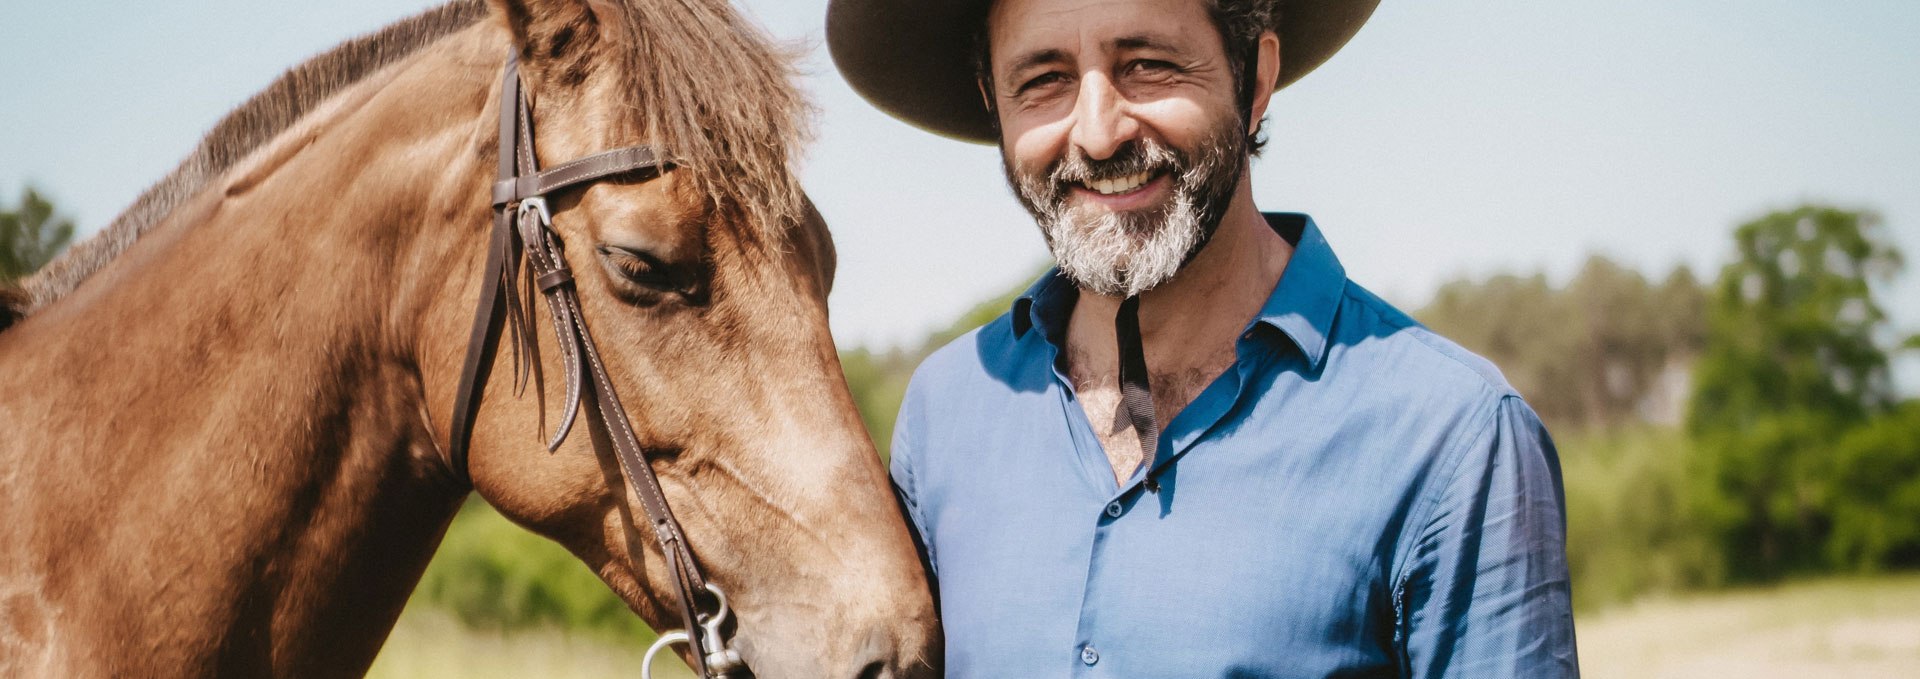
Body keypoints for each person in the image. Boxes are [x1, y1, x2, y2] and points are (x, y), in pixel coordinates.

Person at [827, 0, 1579, 676]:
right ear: (997, 106)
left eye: (1147, 65)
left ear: (1254, 80)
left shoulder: (1453, 436)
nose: (1097, 132)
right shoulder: (946, 415)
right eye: (1045, 79)